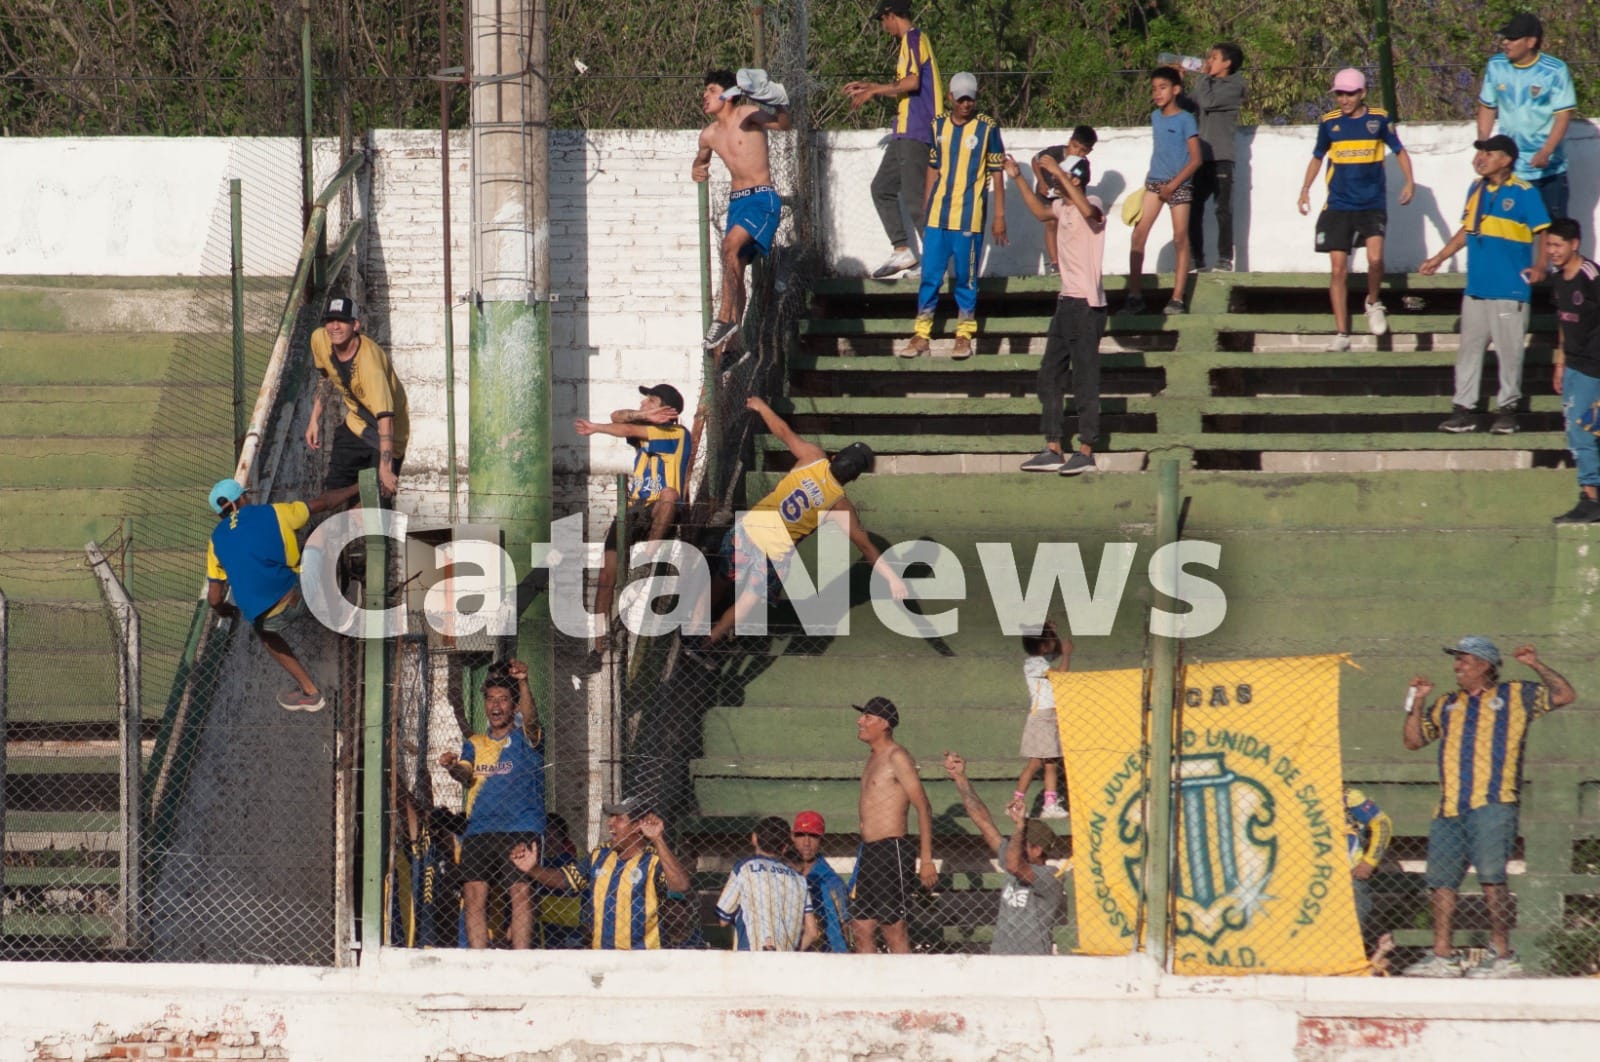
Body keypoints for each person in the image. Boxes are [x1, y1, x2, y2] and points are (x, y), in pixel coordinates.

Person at [1401, 637, 1576, 977]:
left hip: (1494, 803)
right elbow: (1413, 741)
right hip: (1450, 807)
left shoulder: (1515, 695)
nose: (1457, 666)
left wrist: (1535, 665)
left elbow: (1564, 695)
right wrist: (1416, 703)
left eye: (1463, 659)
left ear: (1484, 664)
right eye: (1456, 659)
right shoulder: (1446, 703)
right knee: (1441, 882)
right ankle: (1443, 956)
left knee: (1492, 878)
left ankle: (1502, 955)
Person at [686, 397, 907, 658]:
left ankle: (690, 630)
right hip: (774, 552)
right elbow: (866, 547)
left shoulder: (813, 457)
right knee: (749, 598)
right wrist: (893, 579)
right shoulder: (839, 504)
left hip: (750, 529)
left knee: (723, 577)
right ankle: (707, 643)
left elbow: (782, 431)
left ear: (835, 457)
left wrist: (762, 407)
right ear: (855, 477)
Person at [1422, 136, 1551, 434]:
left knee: (1509, 352)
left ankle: (1507, 410)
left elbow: (1543, 230)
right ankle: (1463, 409)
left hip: (1509, 288)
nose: (1481, 157)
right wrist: (1440, 257)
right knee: (1469, 349)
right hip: (1477, 288)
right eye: (1480, 152)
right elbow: (1467, 230)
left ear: (1505, 159)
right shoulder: (1476, 188)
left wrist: (1541, 264)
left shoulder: (1524, 192)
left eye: (1488, 153)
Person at [204, 477, 359, 711]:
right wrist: (357, 486)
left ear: (220, 515)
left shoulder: (216, 541)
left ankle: (310, 691)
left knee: (264, 632)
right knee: (314, 543)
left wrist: (226, 610)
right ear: (242, 498)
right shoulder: (273, 512)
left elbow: (214, 598)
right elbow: (324, 502)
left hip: (271, 619)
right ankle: (344, 604)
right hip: (300, 595)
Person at [1297, 69, 1415, 353]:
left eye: (1350, 93)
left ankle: (1373, 302)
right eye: (1339, 93)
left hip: (1371, 204)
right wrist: (1304, 189)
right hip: (1338, 205)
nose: (1344, 99)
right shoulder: (1329, 123)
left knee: (1376, 260)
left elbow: (1399, 150)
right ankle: (1341, 333)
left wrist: (1409, 182)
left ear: (1362, 93)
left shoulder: (1379, 118)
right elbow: (1317, 157)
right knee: (1338, 270)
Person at [1006, 153, 1106, 477]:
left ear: (1074, 178)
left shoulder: (1091, 201)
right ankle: (1053, 448)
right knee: (1049, 375)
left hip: (1088, 307)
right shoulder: (1062, 207)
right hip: (1066, 304)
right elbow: (1039, 211)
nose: (1053, 179)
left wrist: (1059, 172)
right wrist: (1018, 177)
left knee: (1084, 380)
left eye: (1061, 176)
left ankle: (1087, 451)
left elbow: (1089, 210)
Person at [574, 384, 691, 658]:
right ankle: (599, 641)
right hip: (633, 508)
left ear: (668, 411)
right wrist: (643, 417)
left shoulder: (676, 434)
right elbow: (618, 417)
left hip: (658, 509)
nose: (642, 404)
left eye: (650, 401)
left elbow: (624, 428)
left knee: (669, 494)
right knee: (606, 575)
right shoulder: (646, 431)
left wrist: (595, 427)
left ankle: (647, 556)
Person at [437, 661, 547, 949]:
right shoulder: (474, 742)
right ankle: (478, 960)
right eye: (490, 700)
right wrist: (451, 767)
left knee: (520, 891)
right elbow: (464, 773)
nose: (495, 706)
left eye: (503, 700)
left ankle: (521, 960)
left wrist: (523, 682)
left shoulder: (525, 737)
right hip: (480, 829)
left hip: (519, 827)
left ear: (514, 706)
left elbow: (532, 721)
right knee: (474, 893)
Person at [901, 72, 1007, 360]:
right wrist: (926, 208)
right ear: (950, 98)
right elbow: (933, 168)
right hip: (937, 216)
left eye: (970, 99)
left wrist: (999, 216)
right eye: (960, 98)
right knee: (930, 276)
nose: (965, 104)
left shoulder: (987, 128)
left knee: (966, 277)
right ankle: (921, 334)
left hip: (969, 217)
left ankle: (964, 334)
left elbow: (997, 174)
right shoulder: (937, 126)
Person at [511, 795, 694, 950]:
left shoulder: (653, 860)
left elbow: (681, 885)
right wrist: (533, 869)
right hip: (602, 957)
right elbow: (566, 879)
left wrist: (658, 839)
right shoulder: (600, 855)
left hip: (643, 959)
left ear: (638, 826)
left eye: (619, 818)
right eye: (611, 817)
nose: (610, 823)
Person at [692, 68, 792, 352]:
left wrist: (779, 101)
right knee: (732, 262)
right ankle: (735, 343)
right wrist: (696, 169)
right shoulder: (708, 135)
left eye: (710, 91)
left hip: (761, 199)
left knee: (729, 246)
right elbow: (701, 160)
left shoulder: (747, 114)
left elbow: (783, 124)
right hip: (737, 204)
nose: (704, 96)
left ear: (727, 95)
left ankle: (724, 319)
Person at [843, 0, 943, 280]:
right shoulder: (908, 44)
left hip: (917, 130)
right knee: (881, 188)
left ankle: (935, 264)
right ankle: (903, 251)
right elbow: (905, 87)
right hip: (904, 131)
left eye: (882, 20)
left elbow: (911, 82)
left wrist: (874, 90)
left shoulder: (913, 38)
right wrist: (871, 87)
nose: (883, 26)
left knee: (915, 200)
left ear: (890, 15)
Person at [944, 751, 1067, 955]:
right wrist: (960, 778)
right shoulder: (1013, 855)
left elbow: (1014, 866)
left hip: (1031, 962)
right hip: (1000, 957)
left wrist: (1019, 827)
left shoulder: (1050, 876)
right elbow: (983, 821)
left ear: (1037, 849)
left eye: (1022, 843)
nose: (1015, 846)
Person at [849, 697, 937, 954]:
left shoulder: (897, 756)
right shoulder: (872, 758)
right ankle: (872, 989)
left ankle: (906, 988)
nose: (860, 721)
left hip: (892, 849)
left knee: (892, 926)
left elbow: (923, 807)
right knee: (861, 926)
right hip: (869, 851)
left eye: (867, 717)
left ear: (884, 724)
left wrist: (927, 858)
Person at [305, 295, 408, 504]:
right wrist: (314, 419)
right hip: (356, 426)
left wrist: (386, 468)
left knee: (376, 508)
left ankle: (369, 506)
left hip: (389, 433)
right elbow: (327, 376)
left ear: (355, 325)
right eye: (330, 321)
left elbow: (385, 419)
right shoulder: (320, 339)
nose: (334, 327)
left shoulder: (370, 365)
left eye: (342, 321)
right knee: (332, 493)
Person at [1477, 13, 1576, 221]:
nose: (1505, 42)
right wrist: (1484, 148)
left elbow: (1563, 116)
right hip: (1510, 170)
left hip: (1548, 171)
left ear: (1530, 41)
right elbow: (1487, 107)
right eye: (1504, 37)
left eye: (1512, 38)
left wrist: (1546, 151)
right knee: (1511, 229)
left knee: (1553, 233)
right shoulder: (1496, 65)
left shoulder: (1554, 70)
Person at [1124, 67, 1201, 316]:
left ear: (1176, 90)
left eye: (1163, 87)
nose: (1157, 93)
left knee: (1180, 238)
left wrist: (1173, 184)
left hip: (1179, 184)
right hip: (1155, 183)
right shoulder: (1155, 117)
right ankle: (1135, 295)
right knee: (1138, 236)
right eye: (1154, 88)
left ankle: (1177, 297)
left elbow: (1196, 159)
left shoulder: (1186, 119)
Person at [1543, 218, 1600, 523]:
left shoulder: (1591, 275)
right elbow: (1564, 323)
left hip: (1594, 366)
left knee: (1582, 429)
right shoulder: (1558, 280)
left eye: (1557, 245)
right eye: (1549, 245)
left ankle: (1591, 498)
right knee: (1576, 429)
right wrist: (1560, 362)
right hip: (1574, 365)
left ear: (1574, 244)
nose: (1552, 251)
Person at [1185, 42, 1246, 273]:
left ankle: (1224, 259)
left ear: (1227, 63)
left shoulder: (1234, 86)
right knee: (1194, 207)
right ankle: (1196, 259)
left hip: (1221, 156)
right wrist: (1176, 85)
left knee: (1222, 209)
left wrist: (1202, 78)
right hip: (1201, 157)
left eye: (1214, 57)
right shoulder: (1206, 84)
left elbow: (1208, 102)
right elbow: (1189, 104)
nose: (1208, 61)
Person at [716, 815, 817, 951]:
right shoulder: (799, 879)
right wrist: (793, 955)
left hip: (751, 954)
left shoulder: (745, 867)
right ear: (785, 846)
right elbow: (812, 932)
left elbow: (723, 919)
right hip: (785, 959)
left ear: (754, 838)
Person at [1005, 620, 1070, 818]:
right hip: (1044, 718)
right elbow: (1062, 675)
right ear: (1043, 645)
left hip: (1043, 718)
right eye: (1050, 640)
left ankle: (1017, 802)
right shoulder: (1037, 664)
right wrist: (1067, 654)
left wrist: (1053, 633)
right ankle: (1049, 805)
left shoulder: (1036, 662)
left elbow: (1053, 654)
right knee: (1050, 764)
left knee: (1034, 764)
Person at [1029, 127, 1097, 275]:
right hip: (1046, 193)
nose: (1077, 152)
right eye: (1075, 147)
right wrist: (1041, 181)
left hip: (1067, 200)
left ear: (1089, 151)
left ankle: (1071, 262)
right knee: (1051, 224)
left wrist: (1068, 184)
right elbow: (1036, 160)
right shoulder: (1055, 153)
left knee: (1069, 226)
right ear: (1069, 142)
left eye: (1082, 151)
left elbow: (1079, 183)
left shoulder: (1082, 166)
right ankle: (1055, 263)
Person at [1343, 786, 1393, 962]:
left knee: (1346, 941)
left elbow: (1383, 823)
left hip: (1348, 879)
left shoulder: (1347, 796)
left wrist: (1369, 862)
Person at [790, 810, 851, 952]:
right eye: (801, 835)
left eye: (813, 836)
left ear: (821, 840)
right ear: (792, 837)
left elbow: (844, 927)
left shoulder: (832, 882)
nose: (806, 843)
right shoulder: (784, 875)